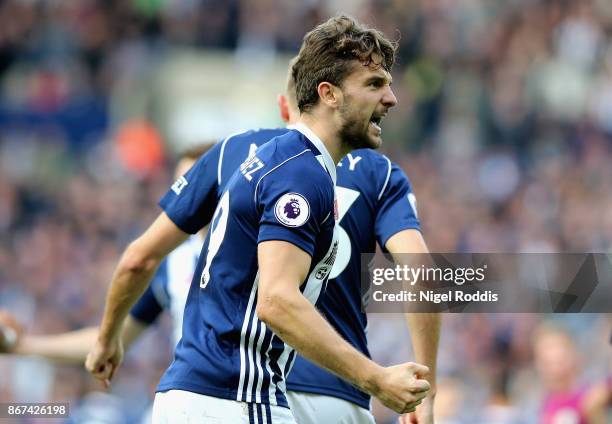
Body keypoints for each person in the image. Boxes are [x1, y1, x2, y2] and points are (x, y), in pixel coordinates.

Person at [85, 15, 430, 423]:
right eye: (374, 85)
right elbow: (277, 302)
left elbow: (137, 259)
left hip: (179, 399)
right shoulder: (304, 173)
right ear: (329, 94)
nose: (390, 98)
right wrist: (376, 380)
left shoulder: (254, 157)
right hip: (240, 398)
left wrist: (106, 340)